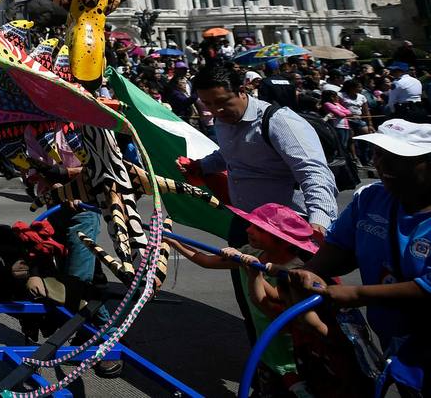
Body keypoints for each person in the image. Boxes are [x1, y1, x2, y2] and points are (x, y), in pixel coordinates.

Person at [182, 58, 338, 343]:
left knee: (297, 310)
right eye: (207, 104)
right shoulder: (223, 122)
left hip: (287, 235)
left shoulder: (280, 122)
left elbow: (314, 173)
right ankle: (266, 359)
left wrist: (318, 222)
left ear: (243, 91)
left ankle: (309, 363)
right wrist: (202, 166)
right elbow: (228, 155)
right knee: (253, 300)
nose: (215, 111)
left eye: (222, 102)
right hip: (247, 224)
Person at [286, 119, 431, 395]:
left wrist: (357, 294)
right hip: (395, 339)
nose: (383, 164)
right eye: (378, 154)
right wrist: (310, 272)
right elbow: (341, 248)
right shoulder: (370, 199)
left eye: (399, 158)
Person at [166, 203, 324, 394]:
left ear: (282, 240)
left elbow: (271, 306)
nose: (248, 230)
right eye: (251, 225)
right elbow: (205, 260)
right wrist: (173, 241)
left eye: (259, 228)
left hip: (292, 355)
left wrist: (252, 270)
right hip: (267, 350)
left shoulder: (295, 273)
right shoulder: (252, 253)